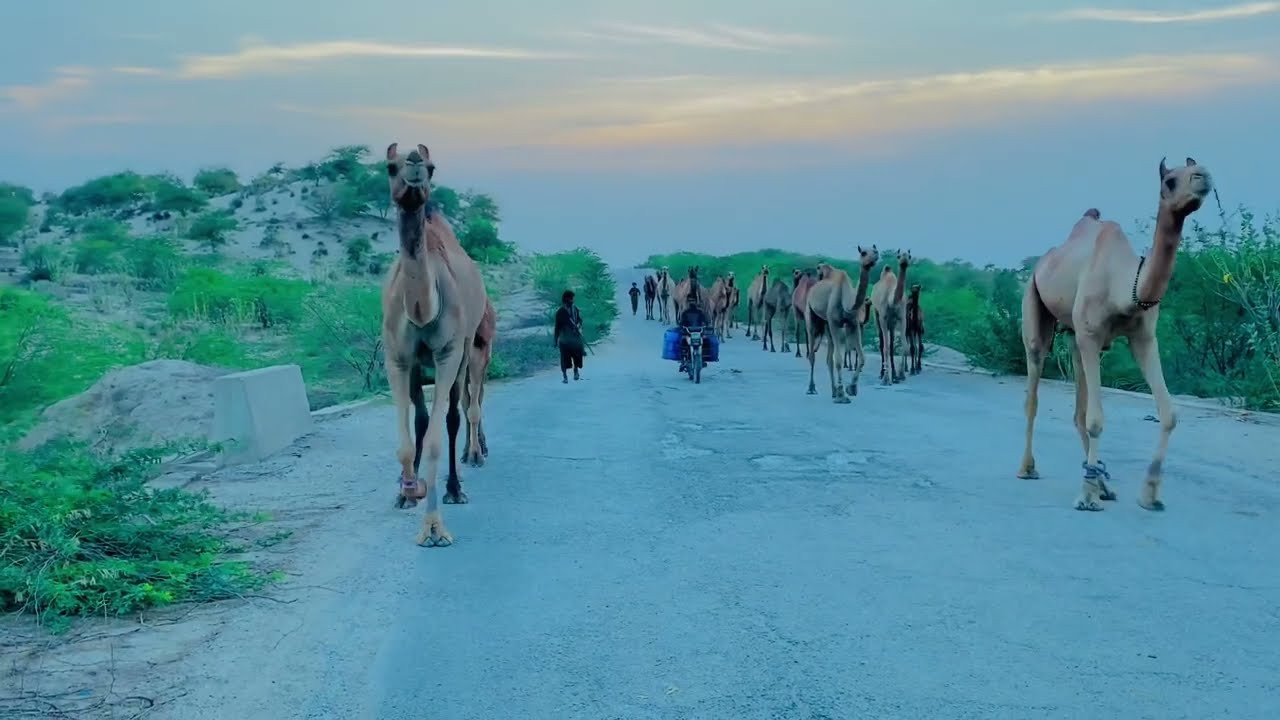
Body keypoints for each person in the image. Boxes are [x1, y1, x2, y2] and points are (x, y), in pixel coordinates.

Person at [553, 289, 585, 383]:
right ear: (566, 299)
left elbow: (580, 321)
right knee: (564, 358)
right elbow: (557, 327)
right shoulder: (560, 312)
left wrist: (578, 327)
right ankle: (565, 376)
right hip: (564, 339)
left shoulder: (575, 309)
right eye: (571, 299)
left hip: (575, 337)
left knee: (577, 355)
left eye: (573, 299)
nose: (572, 301)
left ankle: (576, 371)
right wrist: (556, 339)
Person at [676, 297, 711, 372]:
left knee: (706, 342)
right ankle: (683, 360)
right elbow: (681, 323)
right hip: (688, 333)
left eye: (693, 301)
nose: (692, 303)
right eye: (690, 301)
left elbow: (706, 321)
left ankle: (704, 358)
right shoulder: (685, 312)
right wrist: (682, 327)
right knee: (682, 343)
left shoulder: (700, 312)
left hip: (699, 333)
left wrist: (706, 325)